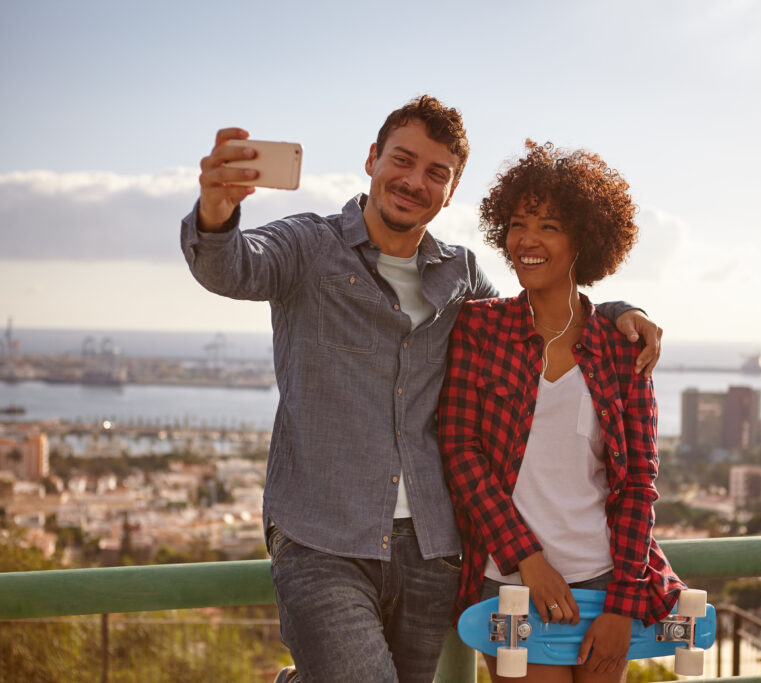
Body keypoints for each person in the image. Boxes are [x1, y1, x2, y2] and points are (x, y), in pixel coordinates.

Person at [180, 96, 664, 683]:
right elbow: (230, 266)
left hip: (432, 549)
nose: (414, 182)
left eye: (436, 173)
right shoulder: (310, 247)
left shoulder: (459, 275)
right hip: (323, 537)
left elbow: (536, 309)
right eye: (402, 160)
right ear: (371, 159)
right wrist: (216, 213)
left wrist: (616, 312)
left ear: (451, 191)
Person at [438, 141, 684, 682]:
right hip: (511, 578)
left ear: (583, 241)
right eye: (518, 223)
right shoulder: (479, 328)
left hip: (605, 578)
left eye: (548, 226)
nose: (527, 239)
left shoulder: (623, 349)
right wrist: (527, 560)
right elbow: (460, 451)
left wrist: (622, 604)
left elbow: (640, 480)